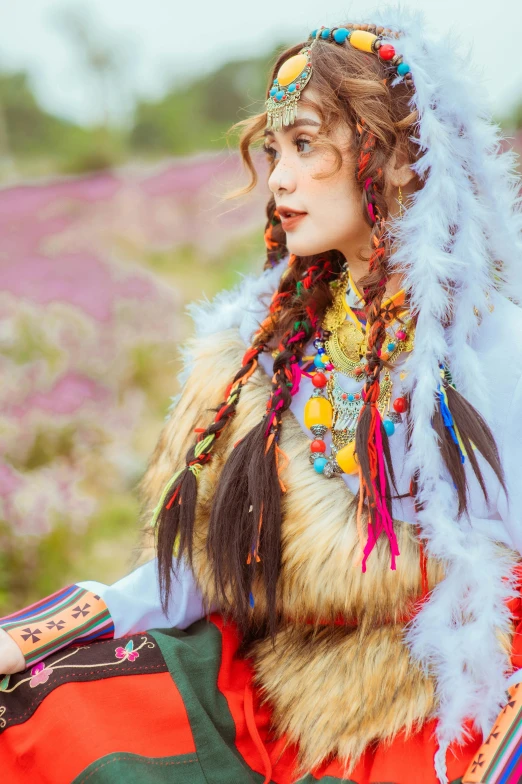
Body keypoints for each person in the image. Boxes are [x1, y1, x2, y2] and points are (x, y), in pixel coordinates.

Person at [1, 8, 522, 783]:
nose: (277, 178)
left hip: (426, 699)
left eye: (306, 146)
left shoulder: (489, 352)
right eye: (274, 150)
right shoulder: (274, 351)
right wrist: (46, 631)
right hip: (275, 677)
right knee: (34, 709)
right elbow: (196, 572)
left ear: (402, 160)